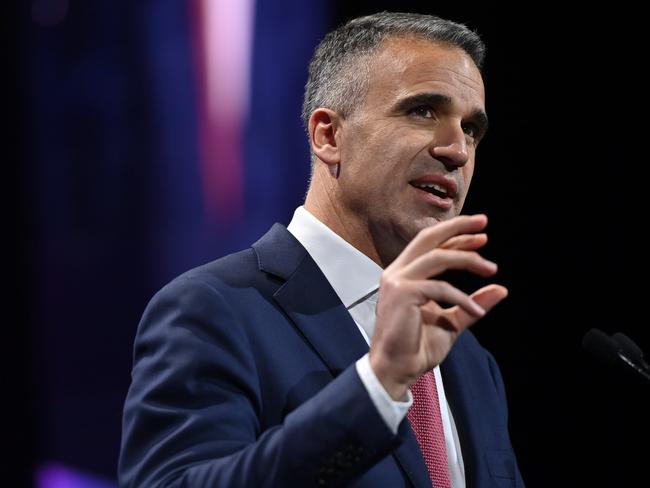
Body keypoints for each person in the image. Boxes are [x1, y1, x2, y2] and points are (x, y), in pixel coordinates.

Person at [119, 11, 525, 488]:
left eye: (472, 129)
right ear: (328, 136)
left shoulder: (470, 362)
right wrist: (377, 386)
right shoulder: (210, 311)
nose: (457, 149)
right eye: (422, 111)